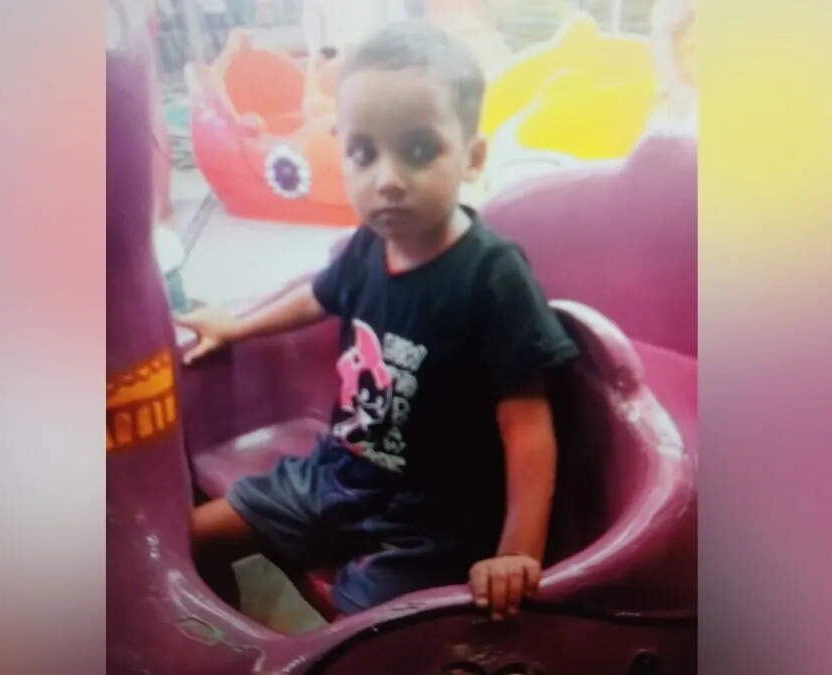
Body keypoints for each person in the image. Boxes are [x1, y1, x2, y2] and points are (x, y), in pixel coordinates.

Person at [176, 20, 578, 621]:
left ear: (472, 158)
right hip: (340, 471)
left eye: (418, 150)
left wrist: (517, 553)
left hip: (436, 518)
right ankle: (219, 641)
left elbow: (528, 428)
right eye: (363, 153)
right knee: (189, 539)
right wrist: (238, 326)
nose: (387, 180)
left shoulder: (492, 276)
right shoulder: (370, 243)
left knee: (364, 633)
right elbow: (318, 296)